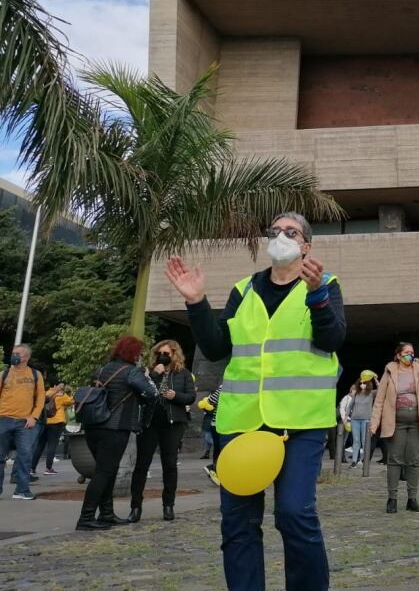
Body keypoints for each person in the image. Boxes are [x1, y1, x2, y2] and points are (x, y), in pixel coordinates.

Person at [165, 211, 346, 591]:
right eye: (275, 230)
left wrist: (316, 298)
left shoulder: (325, 285)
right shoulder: (243, 289)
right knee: (238, 522)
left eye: (291, 232)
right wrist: (197, 303)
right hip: (240, 421)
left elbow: (331, 340)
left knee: (294, 514)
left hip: (301, 423)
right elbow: (216, 348)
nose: (280, 236)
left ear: (306, 245)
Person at [76, 335, 158, 530]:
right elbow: (151, 393)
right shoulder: (132, 372)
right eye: (138, 352)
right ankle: (86, 517)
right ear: (133, 353)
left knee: (107, 471)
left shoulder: (102, 369)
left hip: (93, 426)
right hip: (115, 427)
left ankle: (106, 513)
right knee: (103, 472)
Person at [129, 339, 196, 523]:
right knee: (142, 465)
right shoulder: (149, 373)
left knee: (170, 465)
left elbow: (191, 397)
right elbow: (142, 393)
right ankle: (135, 507)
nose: (163, 357)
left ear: (175, 355)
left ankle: (168, 505)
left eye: (167, 354)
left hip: (173, 423)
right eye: (160, 353)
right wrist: (156, 375)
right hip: (150, 423)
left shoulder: (183, 374)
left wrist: (176, 396)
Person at [370, 342, 419, 512]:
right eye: (406, 353)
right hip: (396, 422)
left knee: (412, 460)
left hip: (417, 422)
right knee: (395, 460)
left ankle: (412, 499)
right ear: (398, 355)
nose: (410, 355)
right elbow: (379, 400)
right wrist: (374, 423)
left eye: (412, 353)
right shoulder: (390, 371)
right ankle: (392, 499)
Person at [0, 344, 45, 500]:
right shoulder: (4, 374)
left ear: (26, 357)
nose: (14, 356)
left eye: (17, 353)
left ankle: (22, 490)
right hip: (3, 420)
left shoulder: (35, 374)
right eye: (13, 353)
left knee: (25, 456)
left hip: (25, 423)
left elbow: (40, 398)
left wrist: (34, 416)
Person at [32, 381, 72, 476]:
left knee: (40, 445)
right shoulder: (61, 395)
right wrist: (65, 392)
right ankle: (48, 468)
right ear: (56, 386)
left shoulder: (46, 393)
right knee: (52, 445)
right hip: (56, 422)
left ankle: (32, 468)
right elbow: (71, 401)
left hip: (45, 422)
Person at [349, 378, 375, 469]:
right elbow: (350, 406)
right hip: (355, 419)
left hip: (366, 420)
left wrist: (376, 379)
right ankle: (354, 461)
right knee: (356, 440)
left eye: (364, 383)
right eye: (360, 383)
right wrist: (346, 417)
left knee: (365, 440)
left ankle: (364, 460)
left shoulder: (371, 393)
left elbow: (381, 389)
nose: (362, 385)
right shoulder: (356, 394)